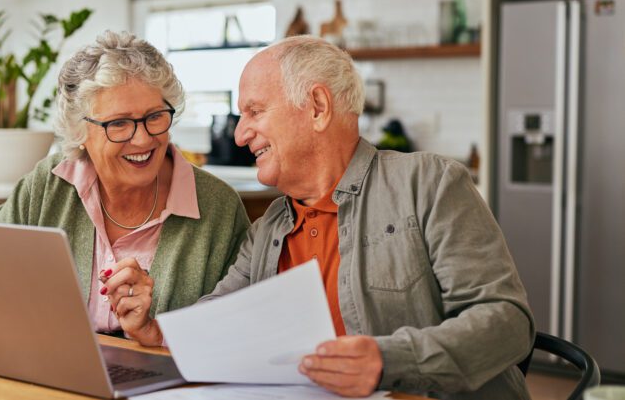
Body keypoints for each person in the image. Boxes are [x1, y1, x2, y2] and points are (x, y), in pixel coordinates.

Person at [106, 36, 534, 399]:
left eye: (254, 112)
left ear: (316, 107)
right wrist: (154, 330)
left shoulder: (427, 184)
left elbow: (506, 323)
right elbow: (218, 317)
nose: (239, 134)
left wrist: (386, 360)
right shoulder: (271, 226)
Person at [0, 31, 250, 342]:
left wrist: (157, 333)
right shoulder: (48, 184)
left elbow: (240, 330)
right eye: (119, 123)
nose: (142, 139)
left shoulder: (218, 207)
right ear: (79, 131)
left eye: (154, 117)